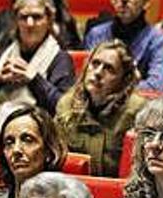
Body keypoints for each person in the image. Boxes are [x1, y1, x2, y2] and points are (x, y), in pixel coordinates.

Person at [0, 0, 74, 153]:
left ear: (50, 19)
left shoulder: (60, 58)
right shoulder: (6, 52)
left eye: (37, 17)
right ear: (15, 20)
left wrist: (33, 79)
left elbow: (64, 112)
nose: (30, 24)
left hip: (34, 140)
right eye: (24, 17)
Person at [55, 39, 147, 177]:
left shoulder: (137, 112)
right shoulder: (66, 106)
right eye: (95, 63)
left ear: (124, 80)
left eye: (109, 68)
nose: (97, 73)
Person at [83, 0, 163, 92]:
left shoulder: (159, 41)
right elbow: (83, 78)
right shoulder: (96, 34)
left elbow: (155, 86)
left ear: (146, 2)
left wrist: (111, 87)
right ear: (113, 0)